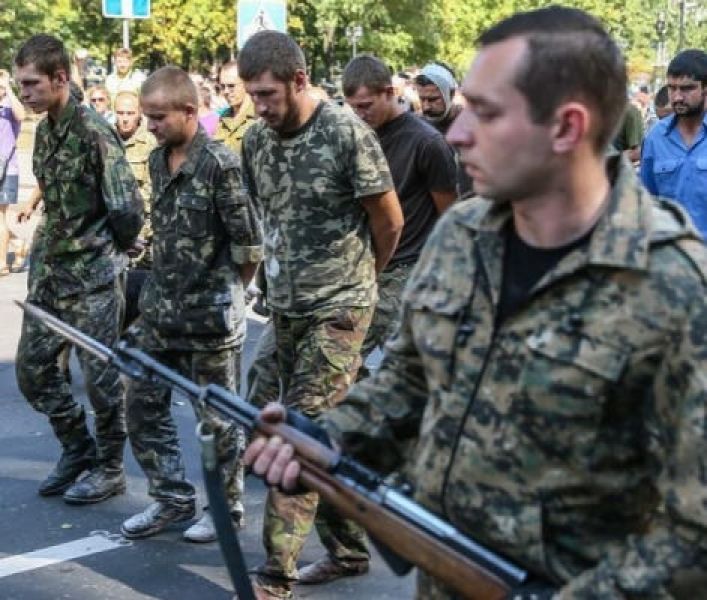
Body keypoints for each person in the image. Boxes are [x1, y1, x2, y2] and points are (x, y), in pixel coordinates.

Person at [245, 7, 707, 598]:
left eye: (486, 114)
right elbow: (408, 383)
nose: (458, 134)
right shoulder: (463, 235)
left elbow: (694, 531)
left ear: (566, 127)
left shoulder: (673, 284)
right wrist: (328, 438)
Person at [239, 30, 403, 599]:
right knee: (270, 414)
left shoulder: (345, 133)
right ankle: (349, 548)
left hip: (339, 308)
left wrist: (360, 284)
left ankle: (274, 576)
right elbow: (269, 217)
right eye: (252, 96)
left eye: (267, 95)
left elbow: (389, 220)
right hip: (285, 307)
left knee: (300, 435)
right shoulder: (256, 141)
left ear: (300, 81)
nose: (260, 107)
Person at [120, 66, 262, 544]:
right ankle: (171, 498)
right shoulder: (158, 160)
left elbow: (248, 245)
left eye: (159, 117)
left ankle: (224, 510)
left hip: (210, 318)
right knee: (140, 403)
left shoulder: (221, 164)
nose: (151, 125)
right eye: (147, 117)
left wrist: (228, 293)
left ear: (189, 111)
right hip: (161, 311)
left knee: (217, 422)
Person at [14, 34, 143, 504]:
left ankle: (109, 468)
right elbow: (53, 198)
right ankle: (77, 448)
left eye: (32, 83)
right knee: (32, 370)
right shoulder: (47, 130)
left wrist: (113, 252)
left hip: (94, 277)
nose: (24, 92)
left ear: (60, 78)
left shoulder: (94, 133)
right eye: (20, 84)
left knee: (101, 380)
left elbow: (127, 209)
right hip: (52, 274)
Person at [342, 55, 457, 377]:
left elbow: (450, 217)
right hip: (364, 268)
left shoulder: (427, 142)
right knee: (339, 364)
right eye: (354, 107)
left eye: (366, 105)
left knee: (406, 372)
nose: (360, 114)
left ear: (390, 92)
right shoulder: (356, 136)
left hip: (406, 271)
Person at [641, 49, 707, 239]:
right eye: (672, 88)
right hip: (672, 252)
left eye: (687, 89)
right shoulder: (655, 138)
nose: (677, 97)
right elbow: (647, 202)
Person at [113, 90, 157, 326]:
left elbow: (152, 194)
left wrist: (139, 234)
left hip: (142, 237)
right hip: (112, 235)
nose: (125, 119)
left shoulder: (151, 143)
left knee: (141, 303)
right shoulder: (105, 139)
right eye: (120, 113)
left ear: (140, 113)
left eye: (130, 113)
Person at [415, 63, 473, 197]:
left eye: (433, 99)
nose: (426, 107)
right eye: (422, 99)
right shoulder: (416, 127)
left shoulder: (472, 125)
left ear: (450, 94)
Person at [0, 69, 24, 276]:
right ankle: (17, 243)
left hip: (7, 168)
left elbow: (22, 115)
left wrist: (8, 87)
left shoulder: (10, 105)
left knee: (0, 215)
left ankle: (1, 263)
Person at [214, 61, 256, 154]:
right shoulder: (223, 117)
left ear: (246, 84)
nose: (226, 91)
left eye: (231, 86)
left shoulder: (259, 117)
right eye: (222, 86)